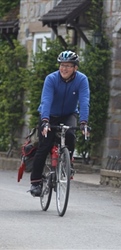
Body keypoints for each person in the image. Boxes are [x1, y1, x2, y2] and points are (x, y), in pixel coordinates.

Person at [30, 50, 90, 197]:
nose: (64, 69)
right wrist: (45, 121)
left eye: (68, 66)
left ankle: (68, 162)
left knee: (70, 135)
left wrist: (84, 122)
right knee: (44, 146)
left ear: (75, 68)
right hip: (49, 114)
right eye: (62, 65)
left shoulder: (82, 80)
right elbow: (46, 100)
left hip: (69, 114)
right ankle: (35, 182)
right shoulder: (51, 79)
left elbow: (84, 101)